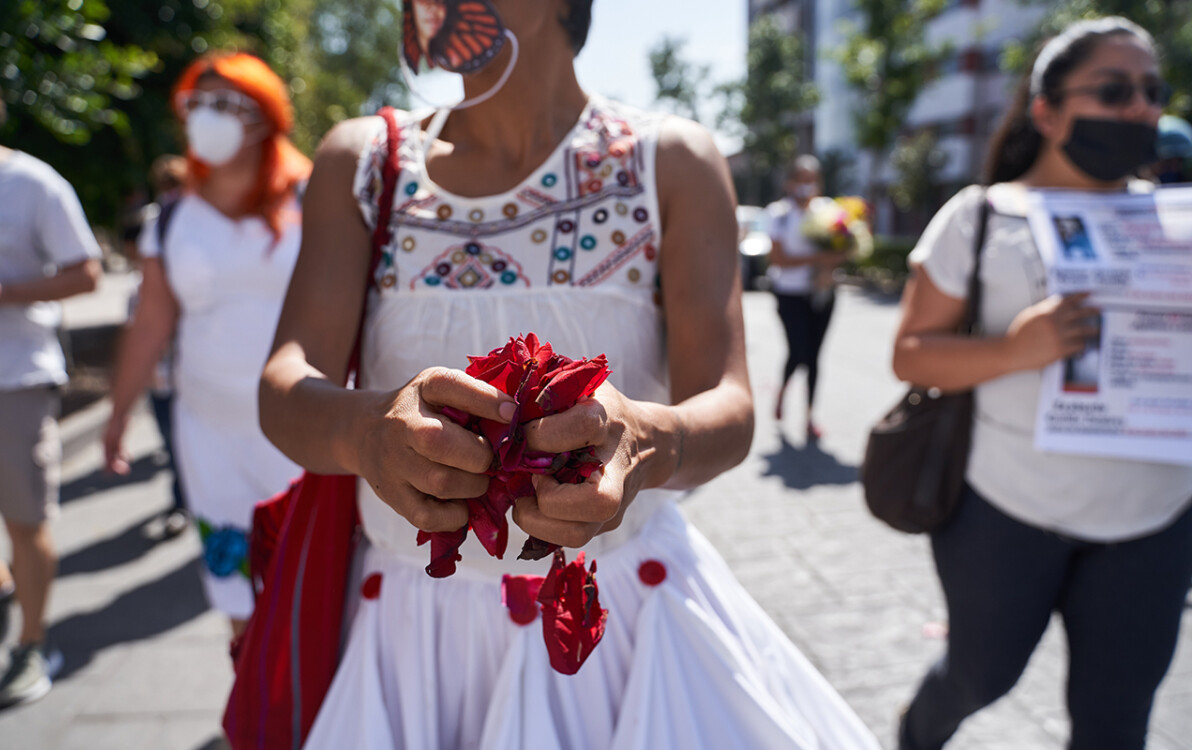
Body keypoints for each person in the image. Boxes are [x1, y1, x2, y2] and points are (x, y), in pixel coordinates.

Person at [258, 1, 881, 748]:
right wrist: (366, 434)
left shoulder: (668, 162)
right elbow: (285, 388)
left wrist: (649, 440)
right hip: (413, 637)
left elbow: (730, 404)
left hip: (618, 626)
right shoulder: (363, 162)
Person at [892, 17, 1192, 750]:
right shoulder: (983, 216)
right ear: (1046, 110)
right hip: (1005, 514)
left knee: (1115, 723)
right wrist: (1017, 348)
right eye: (1114, 90)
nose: (1140, 108)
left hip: (1153, 523)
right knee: (978, 677)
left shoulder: (1178, 222)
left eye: (1151, 91)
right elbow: (910, 354)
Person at [102, 53, 310, 639]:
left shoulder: (315, 198)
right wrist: (118, 414)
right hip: (209, 433)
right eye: (198, 103)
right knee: (236, 589)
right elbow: (150, 322)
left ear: (266, 117)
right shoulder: (172, 217)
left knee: (316, 581)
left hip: (307, 431)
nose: (207, 117)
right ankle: (256, 705)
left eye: (227, 103)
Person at [0, 74, 103, 707]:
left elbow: (86, 272)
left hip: (15, 381)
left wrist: (5, 292)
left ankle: (31, 646)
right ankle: (5, 594)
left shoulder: (33, 183)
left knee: (23, 521)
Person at [120, 155, 192, 538]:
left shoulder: (205, 218)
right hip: (165, 376)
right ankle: (184, 502)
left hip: (198, 375)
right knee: (176, 445)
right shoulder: (158, 222)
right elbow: (147, 321)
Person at [765, 155, 847, 439]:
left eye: (811, 180)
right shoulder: (779, 213)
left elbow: (845, 249)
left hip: (822, 293)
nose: (806, 186)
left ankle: (810, 415)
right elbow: (777, 259)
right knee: (798, 351)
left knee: (814, 357)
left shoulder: (830, 211)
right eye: (801, 179)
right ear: (790, 183)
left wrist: (832, 261)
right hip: (789, 295)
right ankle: (783, 391)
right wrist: (816, 258)